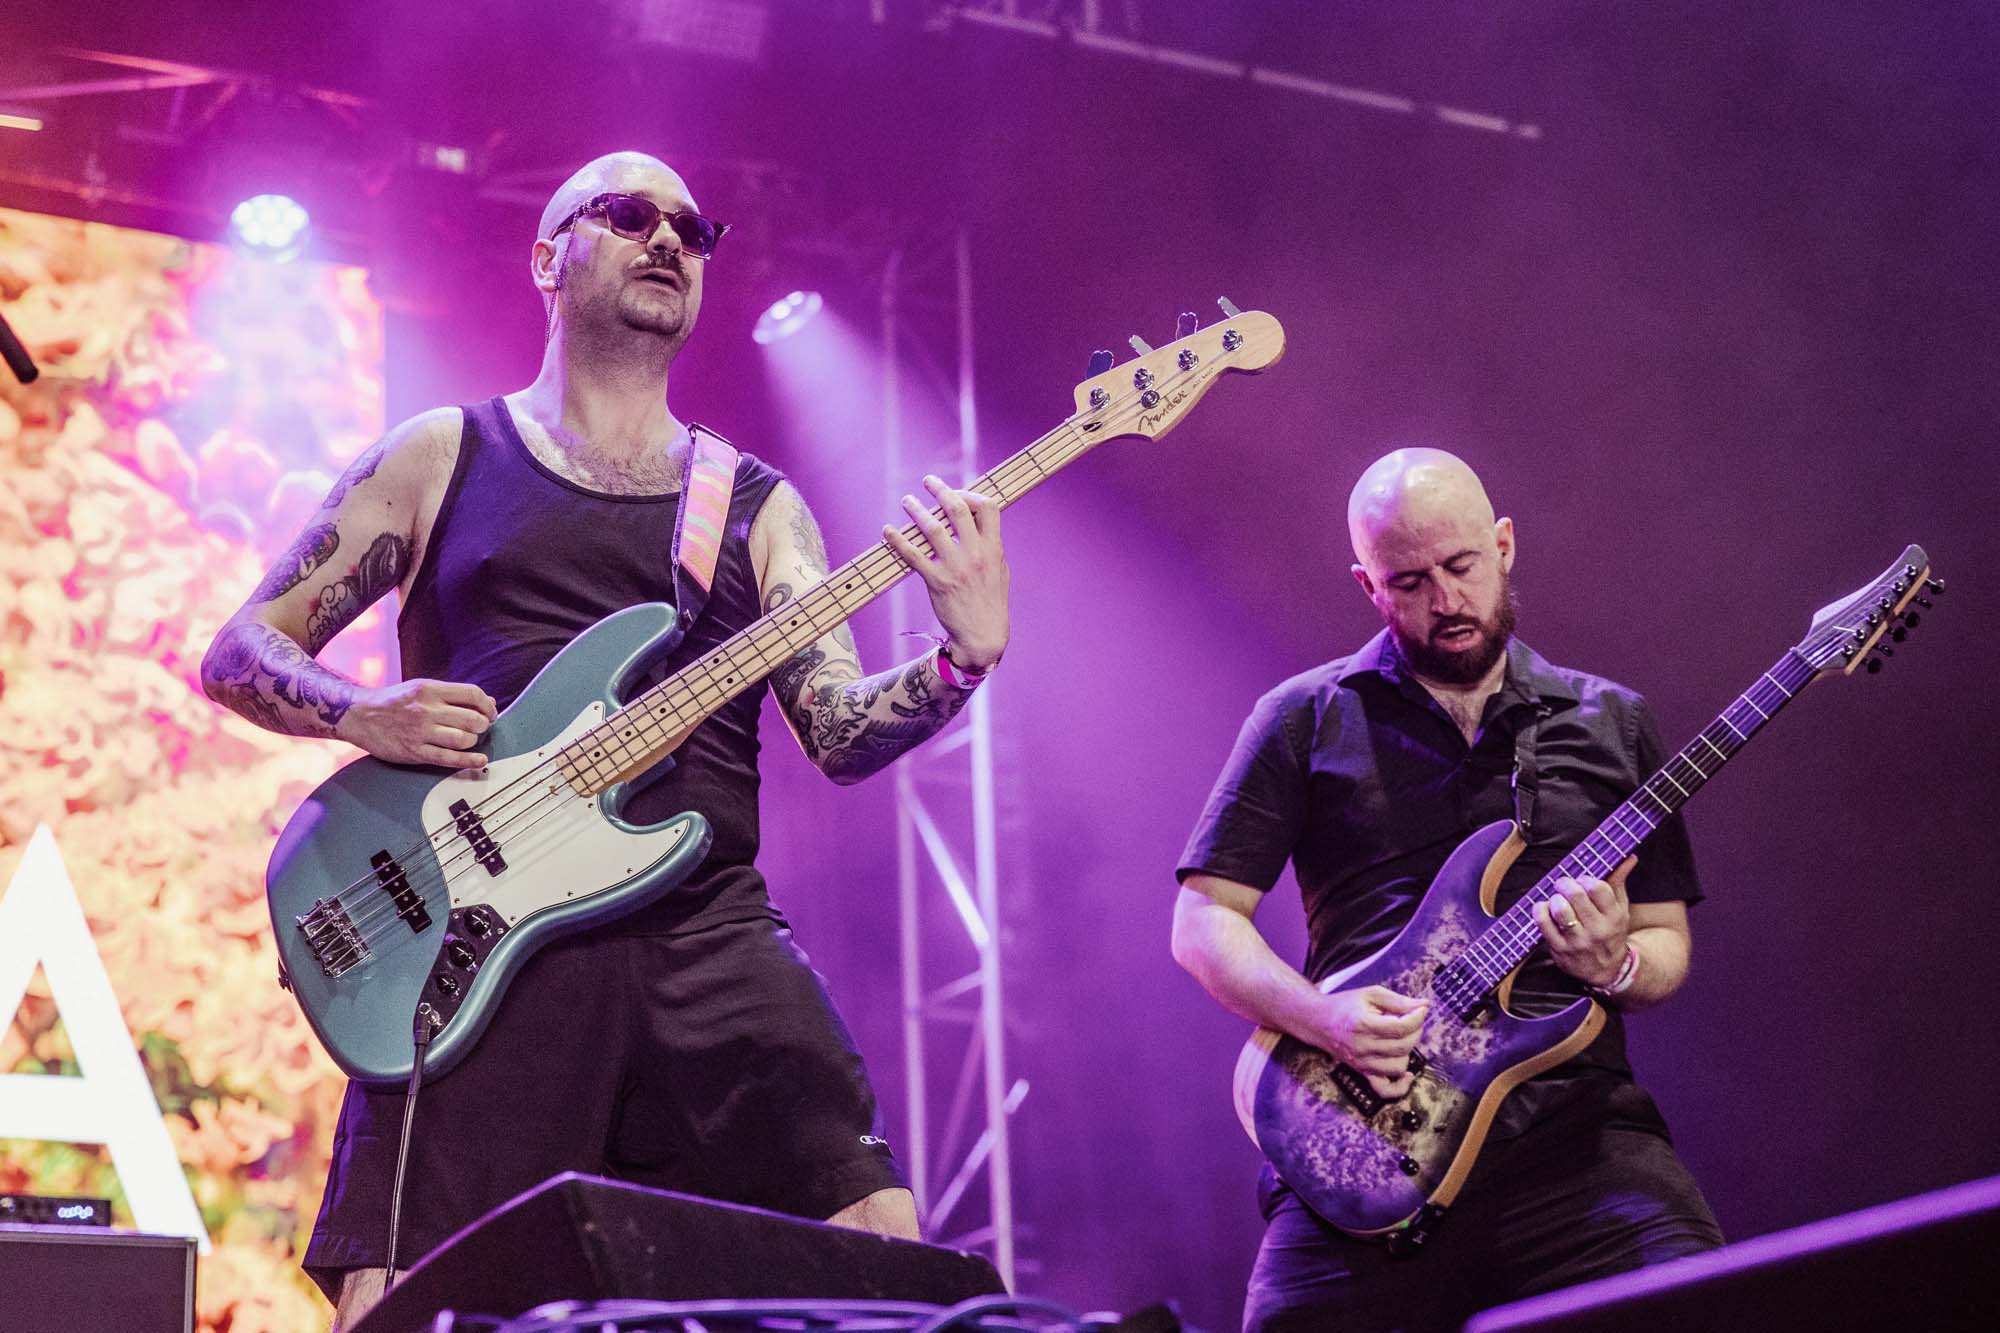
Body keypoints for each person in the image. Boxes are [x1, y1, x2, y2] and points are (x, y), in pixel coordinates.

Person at [200, 151, 1011, 1329]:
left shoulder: (755, 505)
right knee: (400, 1299)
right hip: (472, 932)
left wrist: (957, 659)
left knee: (882, 1249)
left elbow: (836, 731)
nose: (668, 239)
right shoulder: (442, 454)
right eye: (629, 215)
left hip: (703, 927)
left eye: (692, 227)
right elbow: (240, 648)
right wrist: (360, 711)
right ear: (547, 258)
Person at [1171, 448, 1722, 1332]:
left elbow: (1665, 937)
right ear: (1368, 585)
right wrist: (1324, 1018)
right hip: (1362, 1141)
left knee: (1712, 1306)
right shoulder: (1303, 716)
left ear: (1503, 544)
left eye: (1462, 565)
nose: (1446, 599)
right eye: (1410, 581)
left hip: (1576, 1143)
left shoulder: (1611, 721)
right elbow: (1203, 919)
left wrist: (1615, 965)